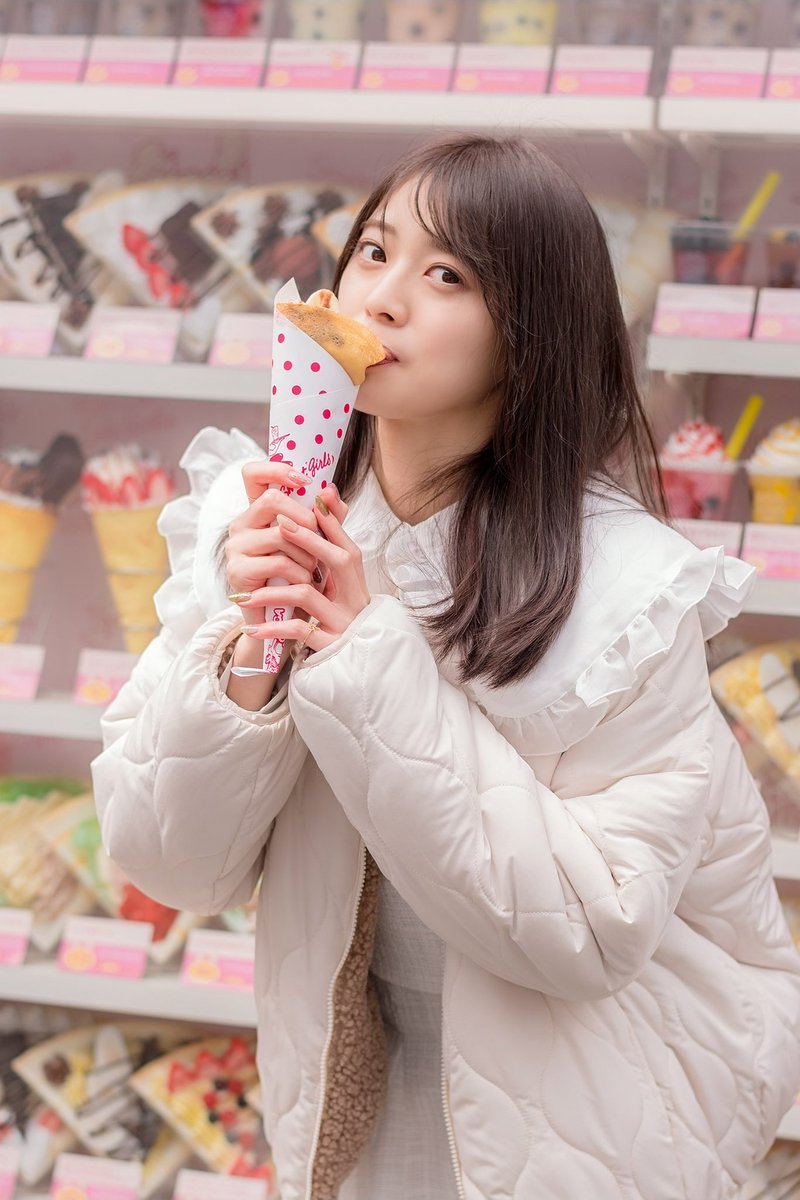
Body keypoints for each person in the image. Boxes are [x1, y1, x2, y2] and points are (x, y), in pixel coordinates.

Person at [92, 134, 800, 1200]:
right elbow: (168, 863)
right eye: (373, 252)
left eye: (447, 276)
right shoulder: (262, 523)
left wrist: (362, 657)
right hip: (357, 1103)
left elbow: (584, 936)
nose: (381, 298)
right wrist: (254, 647)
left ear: (530, 333)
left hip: (596, 1123)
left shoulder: (624, 593)